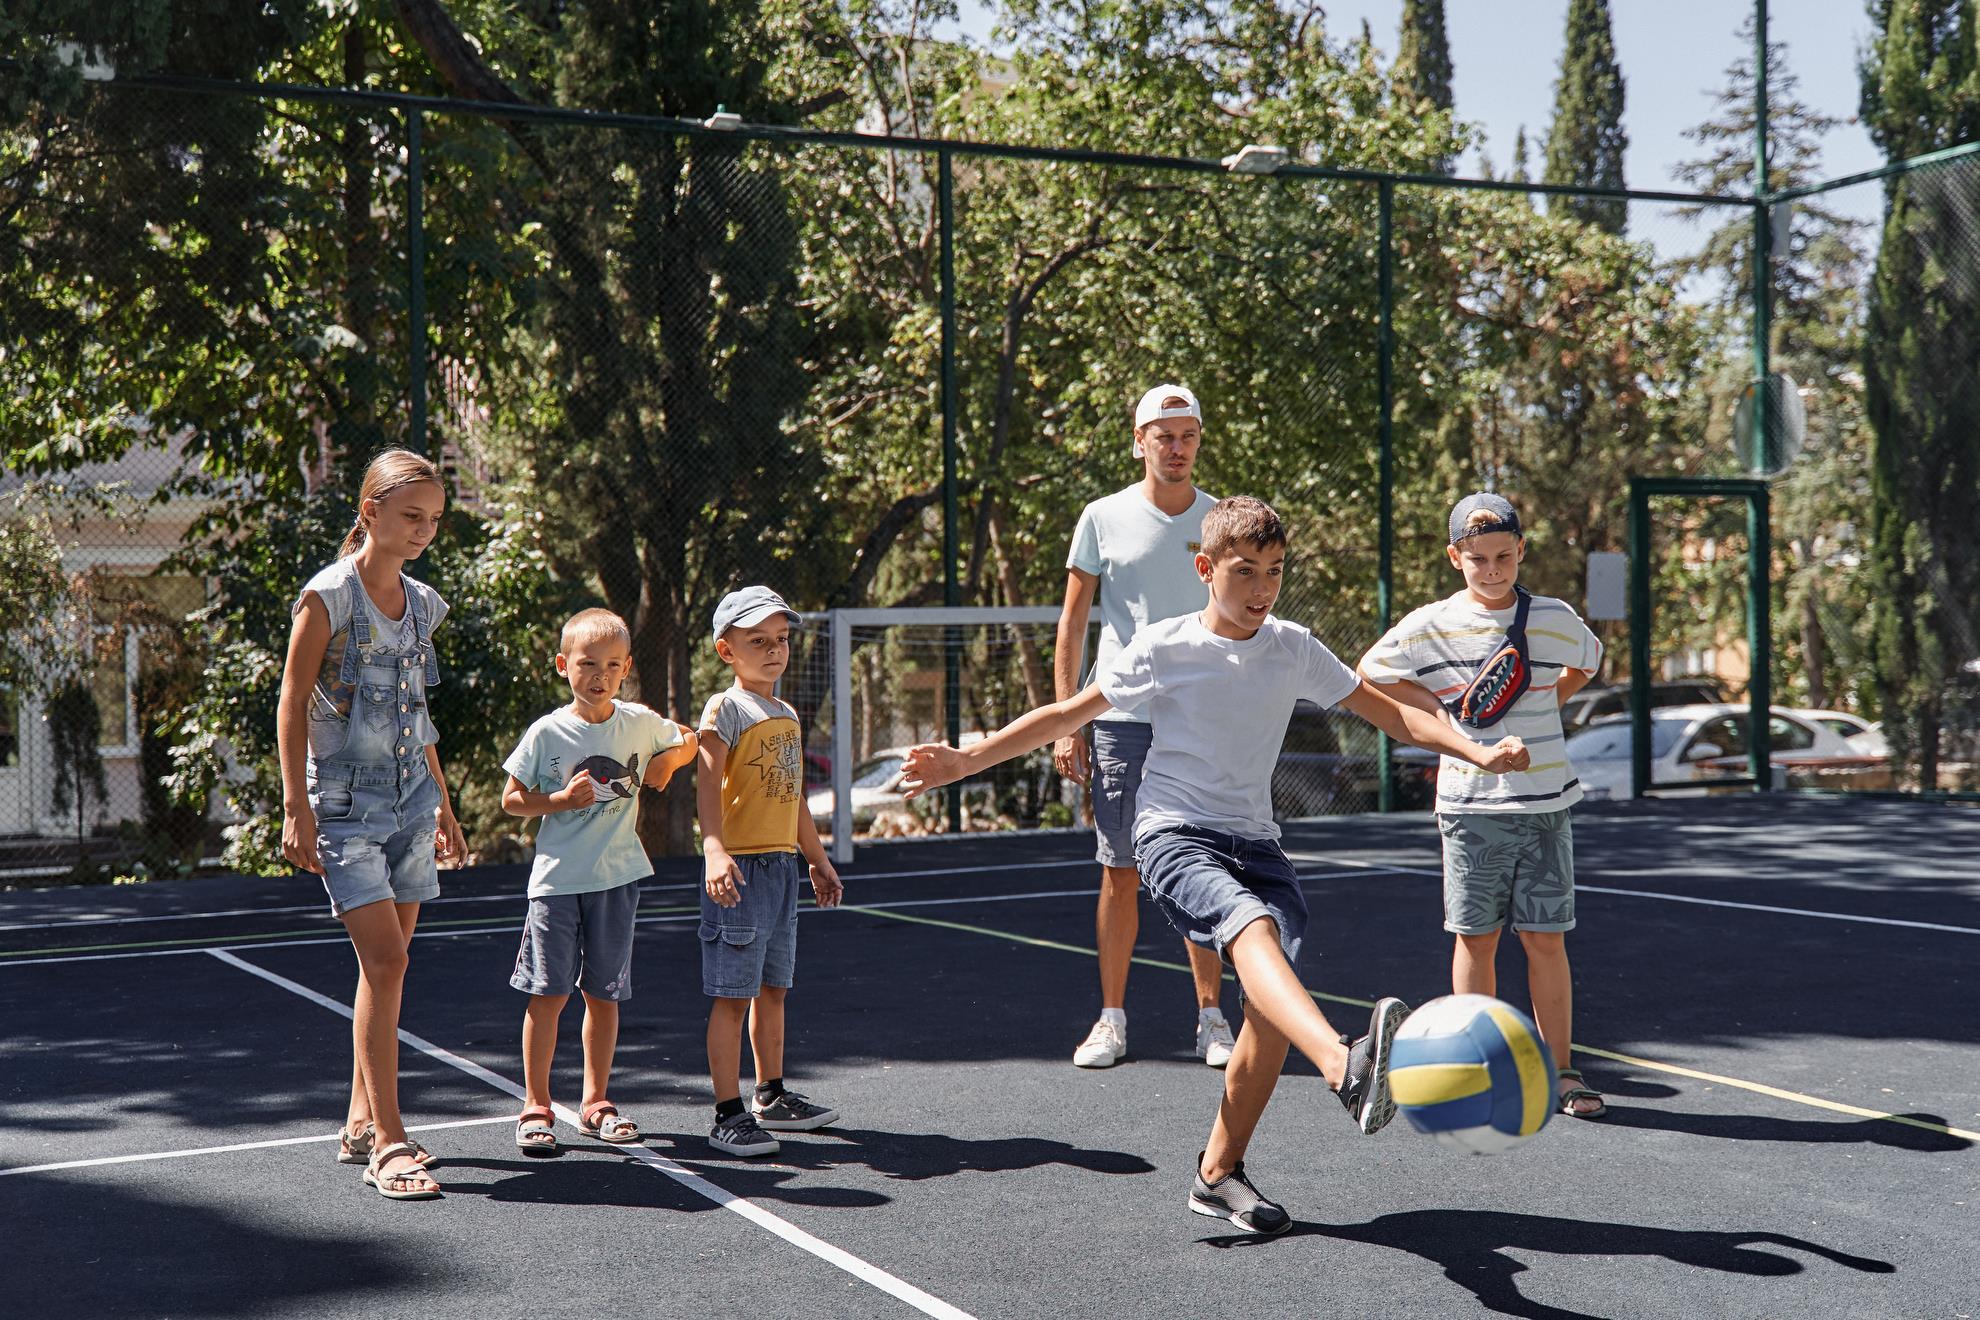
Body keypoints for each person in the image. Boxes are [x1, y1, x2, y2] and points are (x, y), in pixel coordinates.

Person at [902, 497, 1530, 1233]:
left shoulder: (1292, 646)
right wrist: (965, 759)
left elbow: (1391, 713)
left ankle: (1217, 1173)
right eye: (1245, 572)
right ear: (1205, 570)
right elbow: (1068, 714)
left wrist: (1476, 749)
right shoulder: (1164, 647)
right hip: (1173, 834)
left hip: (1257, 844)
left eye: (1275, 571)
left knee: (1267, 1012)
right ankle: (1342, 1065)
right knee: (1251, 928)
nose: (1262, 588)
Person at [1356, 492, 1607, 1119]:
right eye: (1477, 559)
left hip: (1546, 805)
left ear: (1522, 550)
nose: (1492, 570)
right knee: (1477, 941)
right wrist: (1443, 709)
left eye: (1503, 556)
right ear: (1454, 557)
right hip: (1470, 808)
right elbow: (1370, 671)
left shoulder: (1551, 616)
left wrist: (1543, 698)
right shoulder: (1431, 623)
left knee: (1546, 940)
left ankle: (1561, 1071)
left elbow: (1588, 661)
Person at [277, 449, 468, 1201]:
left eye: (433, 520)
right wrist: (295, 805)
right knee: (388, 965)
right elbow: (292, 705)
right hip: (347, 808)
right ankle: (390, 1142)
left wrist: (447, 807)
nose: (424, 531)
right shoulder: (326, 598)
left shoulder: (423, 605)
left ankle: (359, 1122)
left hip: (413, 802)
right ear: (370, 513)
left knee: (382, 971)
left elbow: (417, 716)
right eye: (411, 516)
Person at [1055, 383, 1232, 1071]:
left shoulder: (1222, 520)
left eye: (1188, 435)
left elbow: (1240, 614)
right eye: (1164, 435)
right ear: (1140, 441)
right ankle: (1111, 1021)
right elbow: (1073, 622)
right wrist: (1068, 722)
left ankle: (1212, 1019)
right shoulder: (1101, 518)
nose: (1177, 447)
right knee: (1120, 870)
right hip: (1121, 720)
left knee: (1202, 866)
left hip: (1198, 721)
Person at [500, 608, 699, 1155]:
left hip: (618, 879)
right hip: (558, 883)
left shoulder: (636, 721)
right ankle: (535, 1107)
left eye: (612, 666)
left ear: (626, 668)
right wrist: (560, 800)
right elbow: (512, 800)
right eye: (587, 664)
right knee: (549, 994)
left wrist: (668, 764)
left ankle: (595, 1103)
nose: (599, 675)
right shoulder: (547, 731)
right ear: (564, 665)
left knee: (603, 994)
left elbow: (688, 736)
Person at [697, 586, 846, 1157]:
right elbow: (707, 783)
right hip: (740, 872)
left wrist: (818, 860)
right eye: (757, 640)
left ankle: (771, 1094)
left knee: (773, 990)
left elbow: (795, 800)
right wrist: (714, 850)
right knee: (733, 995)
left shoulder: (785, 713)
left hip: (783, 868)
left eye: (781, 639)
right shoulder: (725, 708)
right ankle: (726, 1114)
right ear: (726, 650)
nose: (774, 650)